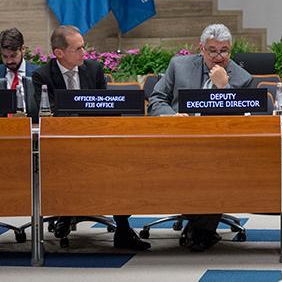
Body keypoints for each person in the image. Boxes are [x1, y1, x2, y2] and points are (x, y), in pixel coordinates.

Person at [31, 25, 150, 251]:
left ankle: (123, 229)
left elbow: (103, 109)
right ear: (59, 53)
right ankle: (66, 212)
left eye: (84, 47)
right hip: (61, 144)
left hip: (95, 139)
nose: (84, 53)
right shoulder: (42, 75)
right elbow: (48, 113)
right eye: (78, 49)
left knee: (118, 165)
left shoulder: (93, 69)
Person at [147, 23, 253, 251]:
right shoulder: (179, 65)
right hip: (178, 140)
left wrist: (224, 87)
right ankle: (201, 227)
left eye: (224, 50)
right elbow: (156, 100)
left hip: (219, 146)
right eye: (212, 50)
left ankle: (200, 228)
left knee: (216, 166)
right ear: (201, 48)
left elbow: (244, 118)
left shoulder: (242, 77)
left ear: (231, 50)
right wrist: (173, 116)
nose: (218, 57)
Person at [0, 28, 35, 116]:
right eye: (5, 56)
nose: (9, 61)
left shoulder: (38, 74)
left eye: (13, 55)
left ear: (22, 49)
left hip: (32, 125)